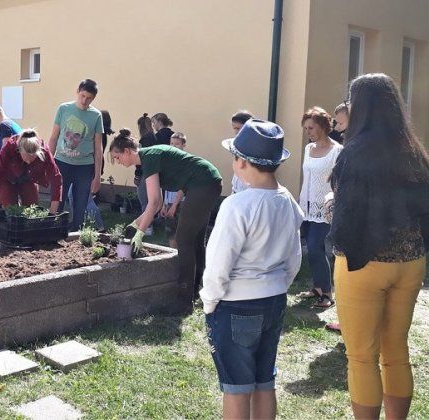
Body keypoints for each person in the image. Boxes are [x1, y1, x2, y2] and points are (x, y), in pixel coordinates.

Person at [330, 73, 429, 420]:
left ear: (362, 107)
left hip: (364, 262)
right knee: (396, 351)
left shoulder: (355, 151)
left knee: (361, 356)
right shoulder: (414, 149)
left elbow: (347, 213)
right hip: (411, 261)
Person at [201, 118, 303, 420]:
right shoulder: (288, 202)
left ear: (242, 162)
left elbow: (218, 261)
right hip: (274, 299)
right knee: (264, 379)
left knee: (236, 386)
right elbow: (294, 258)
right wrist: (278, 285)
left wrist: (210, 300)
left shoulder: (237, 205)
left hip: (236, 304)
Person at [109, 130, 222, 303]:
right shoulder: (148, 159)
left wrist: (140, 232)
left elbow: (153, 202)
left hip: (203, 183)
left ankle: (184, 299)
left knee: (183, 239)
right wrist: (135, 224)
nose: (117, 162)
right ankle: (197, 291)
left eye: (117, 157)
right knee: (195, 240)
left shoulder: (150, 157)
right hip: (207, 182)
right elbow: (159, 203)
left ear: (127, 151)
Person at [298, 106, 342, 308]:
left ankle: (327, 294)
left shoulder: (337, 151)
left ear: (324, 126)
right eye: (306, 128)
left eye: (311, 128)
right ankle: (317, 287)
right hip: (305, 206)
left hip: (324, 208)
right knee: (310, 245)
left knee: (316, 247)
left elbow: (338, 181)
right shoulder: (308, 149)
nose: (308, 132)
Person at [47, 78, 104, 231]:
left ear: (94, 98)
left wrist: (97, 176)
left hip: (84, 167)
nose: (85, 101)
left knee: (80, 207)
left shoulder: (96, 115)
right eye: (83, 96)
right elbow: (53, 137)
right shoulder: (64, 109)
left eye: (89, 98)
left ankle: (75, 236)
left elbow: (98, 147)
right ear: (77, 92)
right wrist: (48, 163)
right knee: (57, 201)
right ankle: (51, 232)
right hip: (62, 163)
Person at [0, 129, 62, 215]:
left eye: (32, 158)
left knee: (31, 208)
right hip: (7, 178)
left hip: (29, 178)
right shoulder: (9, 147)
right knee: (10, 210)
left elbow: (56, 177)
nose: (29, 162)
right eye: (26, 157)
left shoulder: (44, 150)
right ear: (19, 150)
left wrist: (52, 211)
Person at [162, 132, 187, 248]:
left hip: (181, 202)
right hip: (169, 202)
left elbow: (183, 186)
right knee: (170, 232)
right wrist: (164, 204)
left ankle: (182, 257)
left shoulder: (185, 162)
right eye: (171, 143)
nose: (173, 146)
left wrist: (174, 205)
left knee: (182, 232)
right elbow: (166, 185)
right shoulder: (169, 161)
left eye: (177, 144)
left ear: (183, 145)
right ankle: (173, 256)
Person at [135, 113, 158, 221]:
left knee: (143, 199)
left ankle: (146, 225)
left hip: (145, 172)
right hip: (155, 171)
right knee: (151, 200)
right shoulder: (154, 138)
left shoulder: (144, 140)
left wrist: (137, 175)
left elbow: (140, 160)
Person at [230, 110, 254, 194]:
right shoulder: (237, 144)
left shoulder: (256, 147)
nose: (236, 132)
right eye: (234, 128)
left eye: (238, 128)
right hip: (237, 190)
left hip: (248, 192)